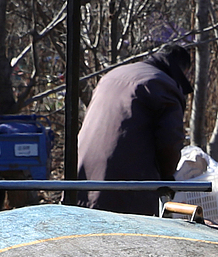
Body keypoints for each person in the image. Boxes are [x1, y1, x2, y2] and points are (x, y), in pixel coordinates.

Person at [78, 44, 193, 215]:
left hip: (81, 179)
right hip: (125, 189)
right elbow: (170, 142)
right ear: (181, 70)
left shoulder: (112, 75)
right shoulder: (163, 85)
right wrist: (167, 180)